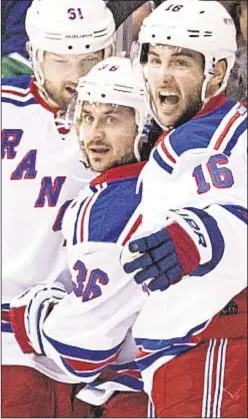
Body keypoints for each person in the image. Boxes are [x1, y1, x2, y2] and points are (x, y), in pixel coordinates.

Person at [121, 1, 247, 417]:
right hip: (181, 355)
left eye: (180, 62)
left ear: (216, 73)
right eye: (153, 59)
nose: (162, 74)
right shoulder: (174, 138)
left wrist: (201, 236)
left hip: (214, 347)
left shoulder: (227, 134)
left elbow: (234, 214)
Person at [9, 57, 154, 417]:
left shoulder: (110, 205)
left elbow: (83, 352)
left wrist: (31, 315)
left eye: (112, 118)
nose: (94, 134)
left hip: (136, 394)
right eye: (87, 117)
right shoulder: (163, 176)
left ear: (145, 123)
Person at [1, 0, 116, 417]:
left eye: (90, 59)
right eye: (60, 60)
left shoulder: (135, 120)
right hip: (11, 347)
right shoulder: (5, 108)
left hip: (97, 346)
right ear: (34, 55)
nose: (77, 75)